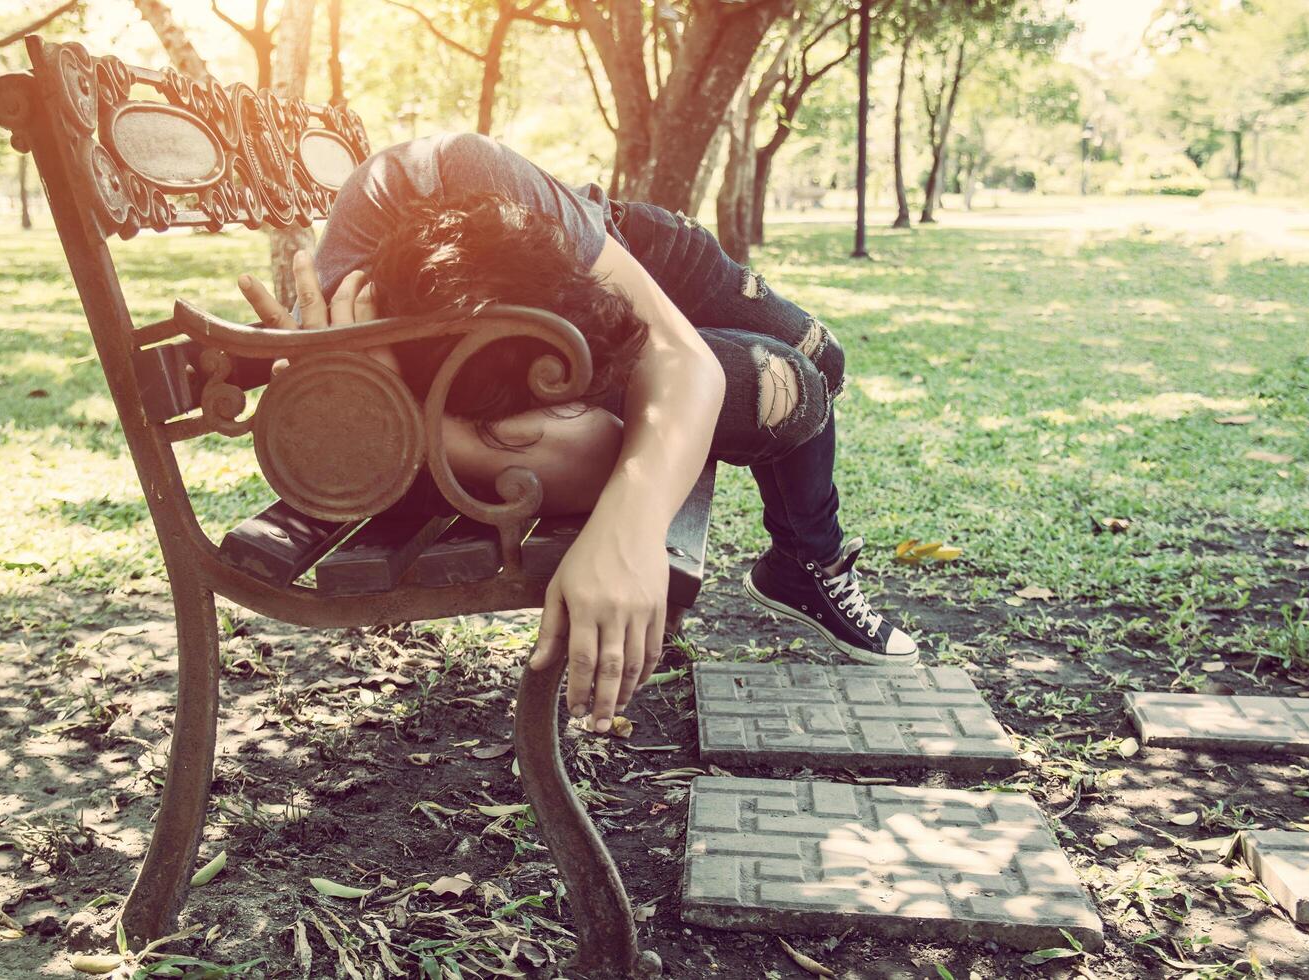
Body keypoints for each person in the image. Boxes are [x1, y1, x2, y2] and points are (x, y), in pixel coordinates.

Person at [235, 132, 918, 733]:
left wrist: (626, 534)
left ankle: (803, 560)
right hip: (525, 336)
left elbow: (678, 361)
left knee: (827, 362)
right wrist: (404, 420)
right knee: (787, 389)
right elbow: (595, 455)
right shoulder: (359, 346)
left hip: (626, 246)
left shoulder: (468, 171)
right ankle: (807, 564)